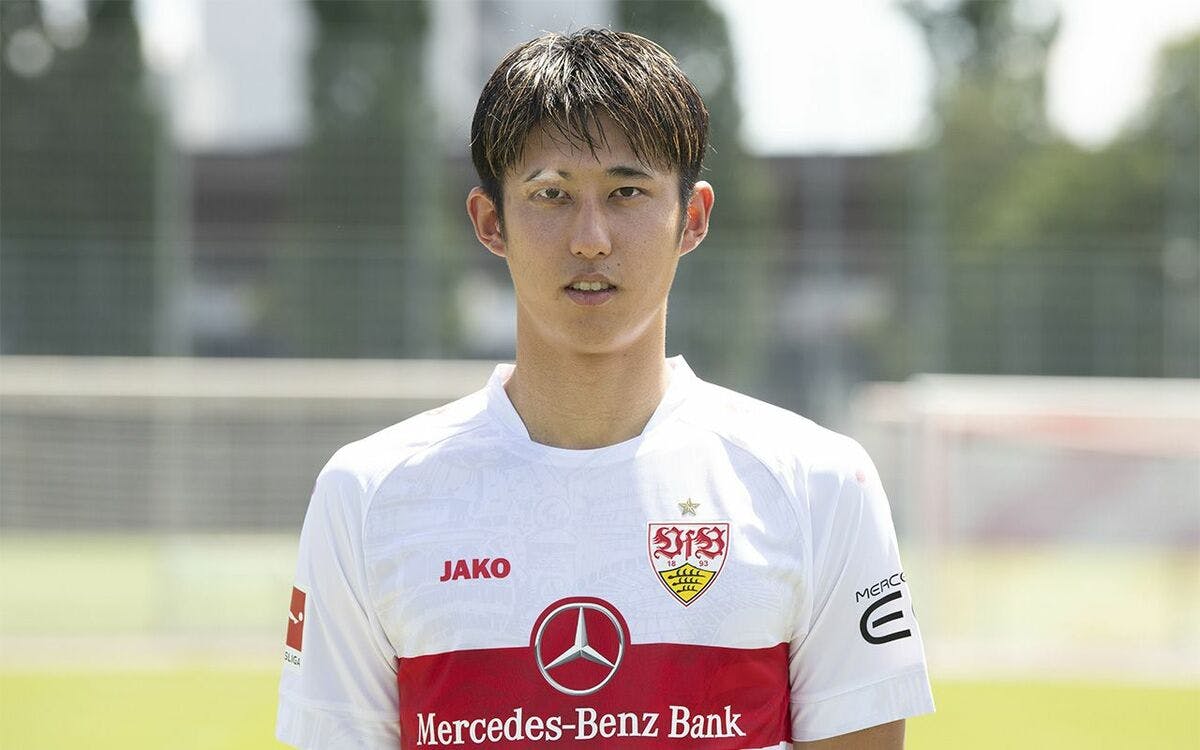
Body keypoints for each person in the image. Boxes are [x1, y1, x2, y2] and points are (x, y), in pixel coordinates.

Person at [276, 28, 934, 750]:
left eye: (627, 192)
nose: (590, 238)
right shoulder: (368, 495)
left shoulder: (819, 484)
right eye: (551, 194)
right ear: (491, 223)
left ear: (692, 218)